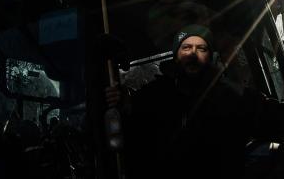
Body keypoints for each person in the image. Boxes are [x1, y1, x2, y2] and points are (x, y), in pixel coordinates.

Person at [105, 24, 269, 179]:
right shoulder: (154, 96)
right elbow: (129, 130)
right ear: (176, 55)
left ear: (210, 56)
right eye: (186, 48)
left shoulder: (230, 95)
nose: (193, 54)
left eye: (201, 48)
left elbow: (267, 114)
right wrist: (122, 104)